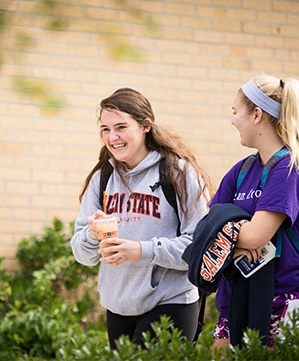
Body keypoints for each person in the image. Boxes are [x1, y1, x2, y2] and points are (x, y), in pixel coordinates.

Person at [70, 87, 212, 349]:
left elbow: (199, 247)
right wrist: (92, 234)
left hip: (171, 302)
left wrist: (141, 251)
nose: (112, 137)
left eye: (121, 127)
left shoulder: (178, 173)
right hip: (118, 305)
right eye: (105, 129)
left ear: (145, 125)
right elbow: (82, 254)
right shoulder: (102, 178)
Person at [210, 73, 299, 348]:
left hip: (281, 303)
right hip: (235, 299)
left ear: (256, 114)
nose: (232, 120)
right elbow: (205, 227)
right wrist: (237, 240)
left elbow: (255, 237)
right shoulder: (241, 171)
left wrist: (229, 235)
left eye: (235, 112)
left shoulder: (291, 170)